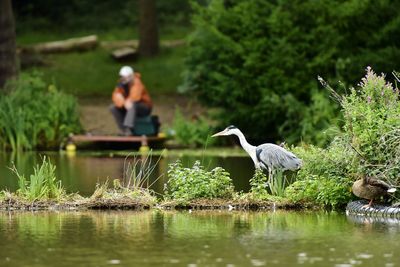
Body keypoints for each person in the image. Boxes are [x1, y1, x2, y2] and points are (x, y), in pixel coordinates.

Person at [110, 66, 153, 136]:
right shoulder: (121, 84)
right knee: (113, 108)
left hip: (144, 107)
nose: (125, 78)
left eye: (127, 76)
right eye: (123, 77)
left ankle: (129, 127)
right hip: (128, 106)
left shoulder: (137, 82)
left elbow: (135, 97)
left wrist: (125, 102)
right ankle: (124, 130)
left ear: (131, 75)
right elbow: (116, 95)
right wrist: (123, 102)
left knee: (132, 105)